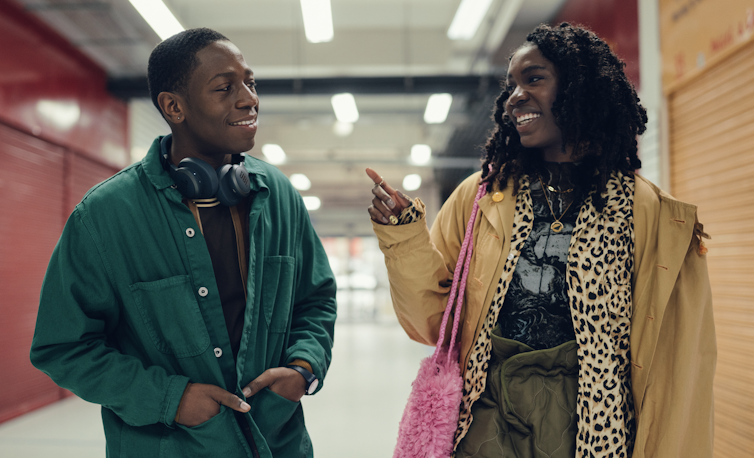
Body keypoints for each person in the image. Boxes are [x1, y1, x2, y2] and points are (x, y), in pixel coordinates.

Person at [367, 23, 715, 458]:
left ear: (580, 88)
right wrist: (403, 237)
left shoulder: (652, 216)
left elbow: (681, 370)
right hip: (487, 417)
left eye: (533, 79)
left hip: (592, 428)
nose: (515, 96)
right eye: (511, 84)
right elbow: (432, 323)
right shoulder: (480, 199)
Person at [30, 28, 337, 458]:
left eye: (250, 82)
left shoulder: (278, 195)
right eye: (225, 87)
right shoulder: (106, 215)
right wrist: (171, 400)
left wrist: (304, 368)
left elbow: (316, 298)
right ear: (174, 107)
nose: (249, 99)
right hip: (169, 446)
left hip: (276, 442)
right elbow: (63, 347)